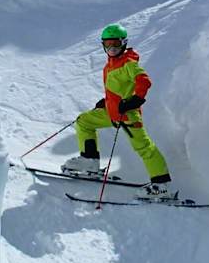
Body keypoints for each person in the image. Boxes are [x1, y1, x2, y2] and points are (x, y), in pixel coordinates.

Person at [62, 23, 175, 200]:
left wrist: (135, 100)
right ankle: (89, 161)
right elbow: (118, 88)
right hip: (112, 112)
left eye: (115, 43)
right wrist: (106, 102)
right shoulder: (111, 64)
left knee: (144, 147)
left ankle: (162, 186)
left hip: (128, 114)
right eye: (107, 44)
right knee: (84, 121)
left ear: (123, 43)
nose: (112, 48)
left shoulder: (128, 63)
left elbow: (143, 80)